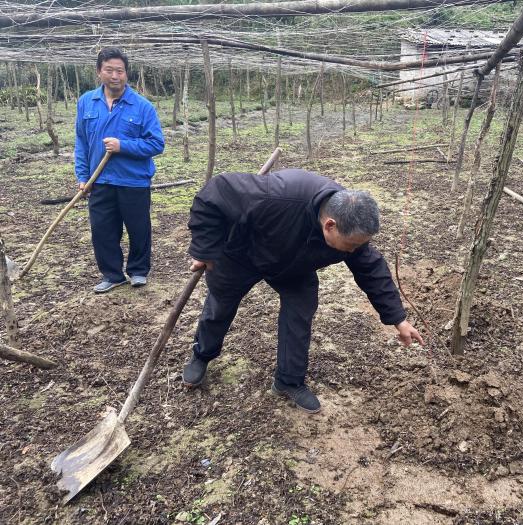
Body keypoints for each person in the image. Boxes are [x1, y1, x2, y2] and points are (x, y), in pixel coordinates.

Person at [182, 169, 423, 413]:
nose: (353, 251)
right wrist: (204, 249)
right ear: (330, 225)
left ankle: (288, 380)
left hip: (295, 267)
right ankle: (202, 354)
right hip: (242, 256)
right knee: (220, 305)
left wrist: (398, 319)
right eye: (350, 246)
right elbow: (212, 195)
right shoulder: (276, 195)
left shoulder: (351, 229)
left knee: (300, 314)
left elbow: (371, 270)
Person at [75, 47, 165, 293]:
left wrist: (122, 146)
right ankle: (112, 274)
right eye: (109, 70)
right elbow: (81, 142)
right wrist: (83, 176)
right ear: (99, 72)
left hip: (133, 180)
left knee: (138, 229)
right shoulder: (86, 102)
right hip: (100, 179)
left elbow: (157, 144)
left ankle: (138, 271)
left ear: (126, 74)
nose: (115, 75)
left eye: (120, 71)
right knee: (102, 230)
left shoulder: (142, 106)